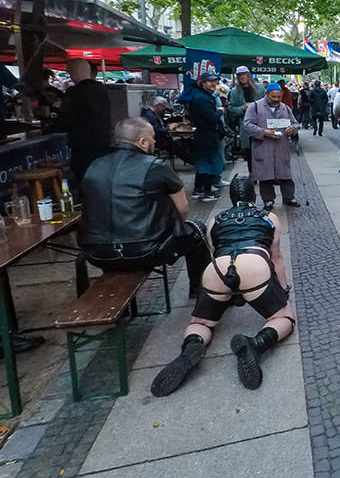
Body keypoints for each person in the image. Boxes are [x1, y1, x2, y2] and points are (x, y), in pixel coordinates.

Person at [150, 175, 294, 396]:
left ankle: (191, 347)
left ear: (232, 196)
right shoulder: (269, 217)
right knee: (284, 318)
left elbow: (215, 250)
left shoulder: (215, 219)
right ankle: (255, 345)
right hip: (254, 264)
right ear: (253, 196)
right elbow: (276, 258)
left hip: (218, 269)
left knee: (202, 322)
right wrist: (283, 292)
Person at [78, 117, 211, 301]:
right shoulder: (156, 165)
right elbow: (182, 209)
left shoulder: (94, 166)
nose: (155, 142)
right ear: (142, 142)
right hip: (146, 251)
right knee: (197, 230)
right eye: (153, 138)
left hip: (97, 253)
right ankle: (200, 291)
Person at [49, 58, 112, 185]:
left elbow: (65, 120)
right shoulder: (102, 89)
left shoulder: (75, 92)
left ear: (73, 72)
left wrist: (47, 128)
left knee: (85, 181)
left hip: (83, 147)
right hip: (103, 144)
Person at [244, 82, 301, 210]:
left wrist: (293, 128)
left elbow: (296, 124)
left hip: (281, 147)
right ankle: (268, 200)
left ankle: (289, 197)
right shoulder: (255, 107)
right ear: (266, 94)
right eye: (273, 97)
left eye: (278, 97)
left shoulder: (285, 108)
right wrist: (263, 132)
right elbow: (247, 124)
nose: (276, 100)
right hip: (263, 147)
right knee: (265, 175)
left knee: (285, 174)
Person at [182, 71, 225, 201]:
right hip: (206, 135)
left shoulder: (203, 96)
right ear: (203, 83)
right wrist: (219, 111)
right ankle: (206, 192)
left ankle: (199, 190)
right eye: (210, 81)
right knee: (208, 163)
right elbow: (211, 118)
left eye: (215, 81)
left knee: (203, 163)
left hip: (204, 134)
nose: (213, 84)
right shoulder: (202, 98)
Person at [228, 66, 265, 174]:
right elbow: (231, 108)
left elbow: (266, 103)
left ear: (248, 75)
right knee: (249, 152)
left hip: (260, 123)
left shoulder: (259, 88)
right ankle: (252, 174)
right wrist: (241, 108)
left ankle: (263, 173)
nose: (243, 77)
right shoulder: (234, 91)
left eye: (245, 74)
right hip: (245, 125)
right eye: (240, 76)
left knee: (261, 149)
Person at [141, 97, 193, 164]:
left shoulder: (155, 114)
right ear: (157, 105)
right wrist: (168, 129)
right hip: (158, 140)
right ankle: (192, 161)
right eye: (163, 106)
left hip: (162, 138)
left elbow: (162, 123)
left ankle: (192, 159)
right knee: (178, 145)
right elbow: (156, 131)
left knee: (184, 142)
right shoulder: (151, 116)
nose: (164, 108)